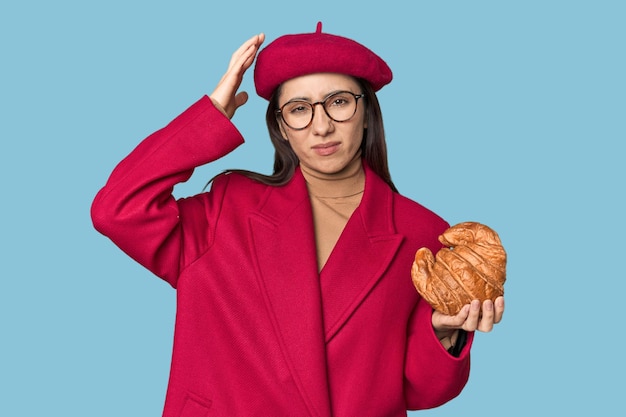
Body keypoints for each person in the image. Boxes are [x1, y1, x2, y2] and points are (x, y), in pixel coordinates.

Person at [91, 22, 504, 417]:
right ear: (281, 127)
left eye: (339, 102)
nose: (321, 126)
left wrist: (445, 334)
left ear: (367, 113)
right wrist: (212, 113)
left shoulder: (422, 233)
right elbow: (117, 209)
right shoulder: (227, 207)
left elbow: (420, 391)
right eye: (299, 109)